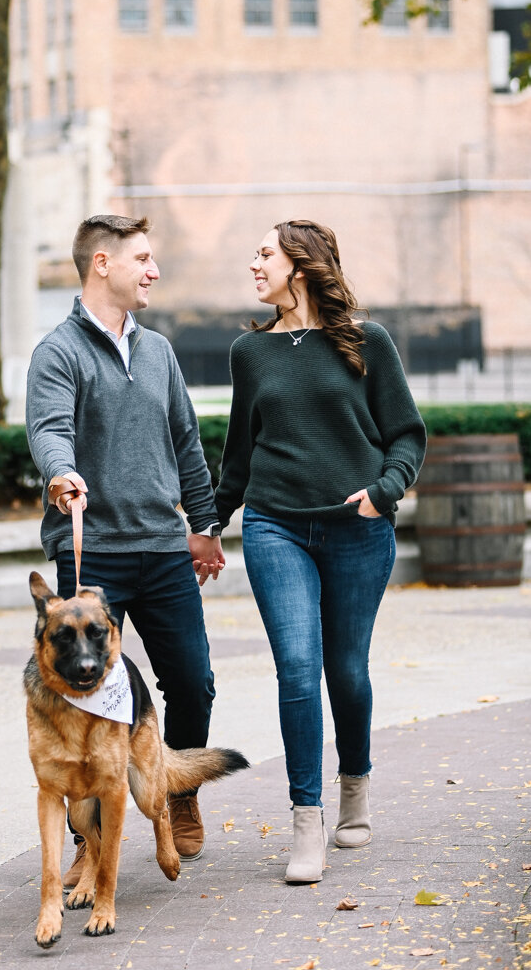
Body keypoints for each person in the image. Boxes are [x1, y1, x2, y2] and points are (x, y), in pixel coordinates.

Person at [213, 219, 426, 884]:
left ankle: (354, 785)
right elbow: (239, 454)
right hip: (275, 526)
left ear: (299, 267)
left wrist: (381, 493)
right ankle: (307, 821)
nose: (254, 263)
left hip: (357, 529)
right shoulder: (249, 353)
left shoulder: (368, 341)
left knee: (347, 671)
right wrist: (206, 523)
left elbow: (406, 435)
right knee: (298, 670)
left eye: (264, 253)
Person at [25, 214, 226, 883]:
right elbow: (50, 431)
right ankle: (91, 832)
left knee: (192, 680)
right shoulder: (58, 352)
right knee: (86, 700)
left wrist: (203, 525)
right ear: (102, 264)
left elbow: (187, 443)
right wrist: (61, 474)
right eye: (142, 258)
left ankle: (178, 790)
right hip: (94, 558)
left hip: (162, 548)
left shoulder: (159, 351)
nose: (154, 270)